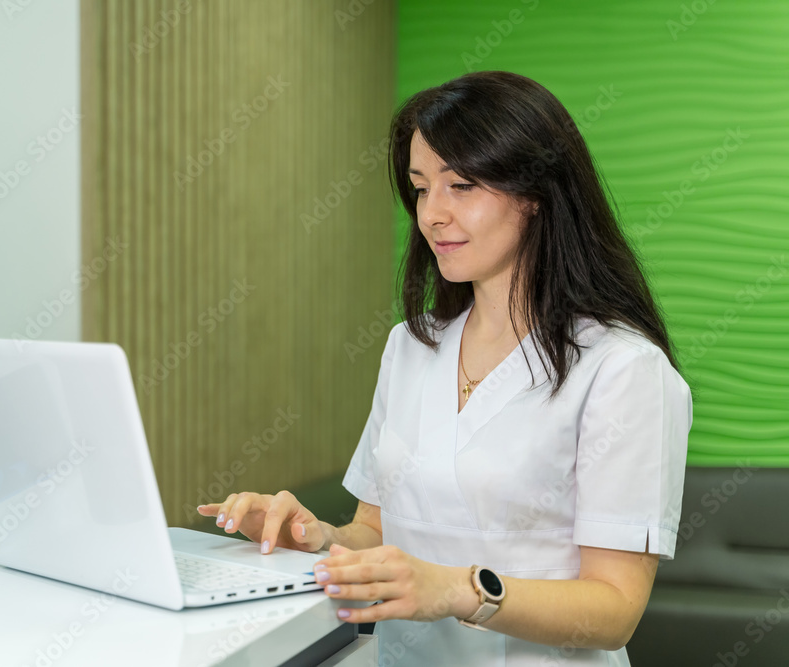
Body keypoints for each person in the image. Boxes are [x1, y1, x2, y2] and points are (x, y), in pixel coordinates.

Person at [197, 70, 693, 666]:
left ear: (535, 194)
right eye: (421, 188)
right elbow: (377, 532)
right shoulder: (410, 346)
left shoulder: (621, 368)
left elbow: (615, 609)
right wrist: (315, 537)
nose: (432, 214)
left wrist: (458, 590)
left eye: (461, 186)